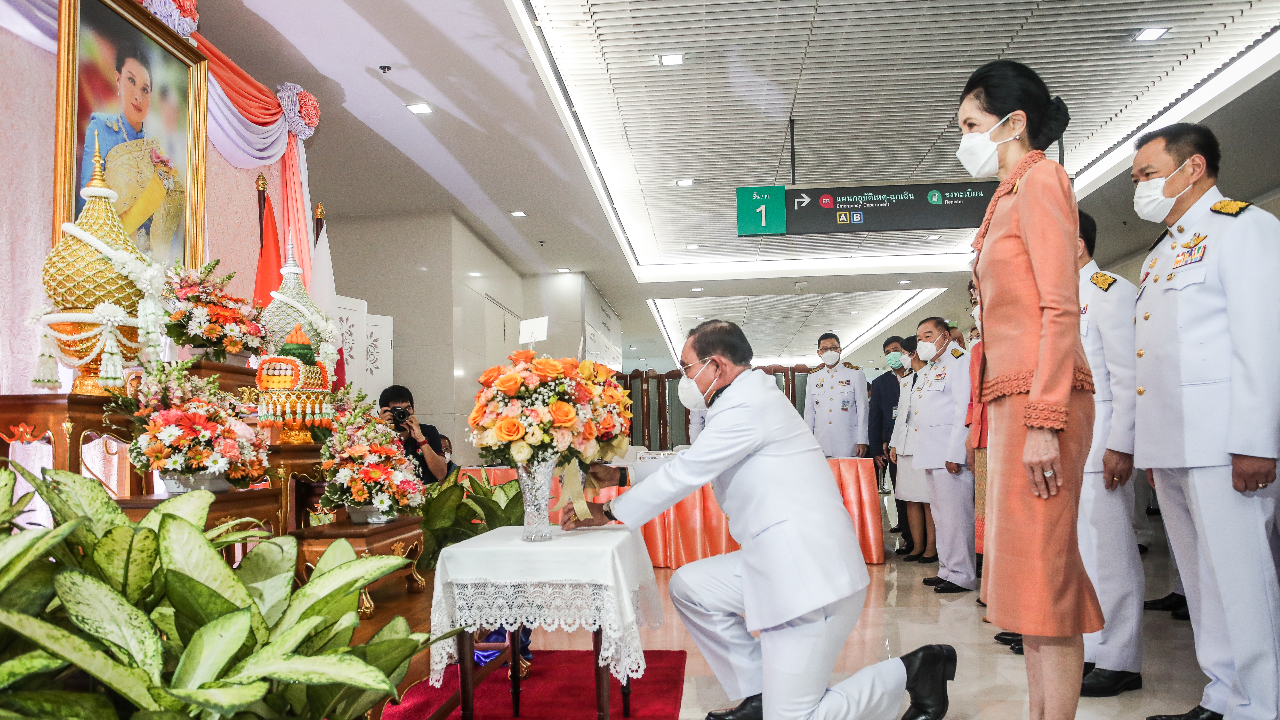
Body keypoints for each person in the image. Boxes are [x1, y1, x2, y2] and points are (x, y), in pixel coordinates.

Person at [568, 320, 957, 720]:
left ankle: (912, 671)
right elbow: (694, 460)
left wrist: (607, 511)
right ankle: (759, 694)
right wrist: (621, 476)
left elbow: (688, 472)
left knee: (794, 718)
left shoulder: (747, 405)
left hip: (809, 572)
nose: (684, 378)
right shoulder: (742, 399)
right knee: (691, 589)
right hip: (775, 558)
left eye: (686, 368)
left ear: (716, 365)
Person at [961, 59, 1103, 720]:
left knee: (1046, 573)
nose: (964, 139)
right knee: (1026, 580)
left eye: (972, 125)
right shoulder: (1007, 196)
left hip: (1043, 398)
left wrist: (1045, 417)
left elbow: (1059, 306)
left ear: (1013, 122)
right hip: (1014, 399)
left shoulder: (1043, 179)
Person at [1130, 122, 1280, 720]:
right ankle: (1222, 693)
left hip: (1225, 444)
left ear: (1192, 168)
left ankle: (1262, 704)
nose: (1139, 187)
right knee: (1200, 578)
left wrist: (1256, 441)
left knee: (1242, 579)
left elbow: (1261, 341)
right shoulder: (1161, 252)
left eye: (1147, 173)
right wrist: (1150, 447)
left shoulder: (1242, 228)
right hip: (1174, 444)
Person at [1072, 210, 1145, 697]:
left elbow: (1126, 377)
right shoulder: (1059, 298)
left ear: (1077, 244)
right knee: (1083, 552)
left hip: (1102, 442)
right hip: (1071, 443)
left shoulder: (1108, 291)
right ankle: (1093, 648)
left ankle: (1121, 658)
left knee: (1112, 553)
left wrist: (1122, 443)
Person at [78, 38, 184, 265]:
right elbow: (89, 204)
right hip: (106, 257)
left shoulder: (155, 147)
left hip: (149, 264)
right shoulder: (102, 128)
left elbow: (166, 226)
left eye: (145, 89)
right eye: (131, 81)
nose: (138, 96)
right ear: (118, 80)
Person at [909, 317, 976, 594]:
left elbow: (963, 410)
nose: (922, 342)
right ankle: (947, 569)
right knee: (941, 516)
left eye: (928, 335)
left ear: (945, 336)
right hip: (931, 452)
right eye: (919, 338)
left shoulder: (959, 361)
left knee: (956, 517)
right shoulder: (932, 367)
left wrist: (955, 452)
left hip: (949, 454)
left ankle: (962, 575)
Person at [889, 336, 936, 563]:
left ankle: (931, 548)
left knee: (927, 500)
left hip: (925, 446)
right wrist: (894, 444)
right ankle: (917, 546)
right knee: (910, 498)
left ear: (913, 353)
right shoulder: (907, 380)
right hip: (906, 445)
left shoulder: (933, 374)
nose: (902, 359)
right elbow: (901, 416)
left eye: (904, 354)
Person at [803, 333, 870, 458]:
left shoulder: (855, 374)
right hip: (821, 441)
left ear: (840, 350)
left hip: (848, 442)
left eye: (833, 348)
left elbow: (863, 409)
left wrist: (862, 440)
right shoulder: (813, 377)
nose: (829, 352)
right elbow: (809, 413)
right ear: (819, 353)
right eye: (825, 349)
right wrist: (808, 441)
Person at [869, 336, 908, 537]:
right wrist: (876, 449)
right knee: (900, 490)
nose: (892, 355)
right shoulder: (880, 383)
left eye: (895, 349)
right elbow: (875, 418)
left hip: (917, 442)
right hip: (892, 446)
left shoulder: (917, 374)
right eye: (887, 353)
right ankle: (908, 535)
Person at [378, 385, 449, 483]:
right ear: (385, 412)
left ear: (413, 408)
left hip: (426, 491)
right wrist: (382, 429)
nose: (403, 414)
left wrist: (421, 439)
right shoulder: (376, 436)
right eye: (397, 410)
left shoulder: (428, 431)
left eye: (407, 409)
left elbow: (441, 474)